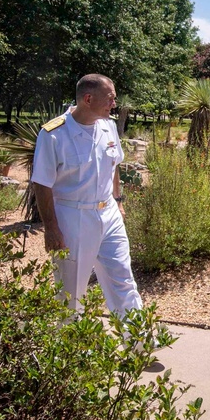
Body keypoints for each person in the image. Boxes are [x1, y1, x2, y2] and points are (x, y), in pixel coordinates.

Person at [32, 74, 143, 317]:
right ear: (88, 99)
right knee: (71, 291)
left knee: (123, 278)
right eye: (110, 98)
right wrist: (51, 228)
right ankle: (74, 352)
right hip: (73, 217)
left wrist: (119, 201)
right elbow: (42, 183)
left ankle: (139, 345)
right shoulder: (53, 134)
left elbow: (114, 165)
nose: (114, 103)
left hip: (109, 213)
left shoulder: (109, 126)